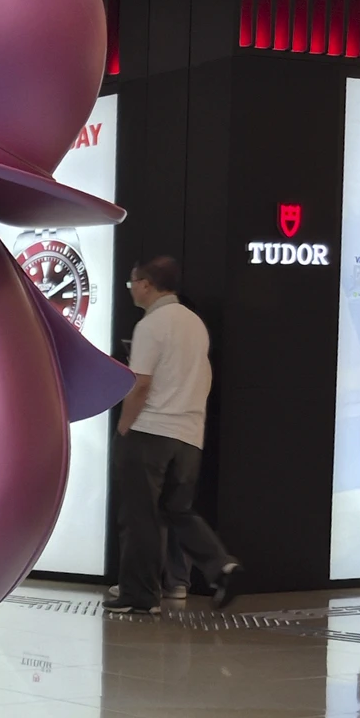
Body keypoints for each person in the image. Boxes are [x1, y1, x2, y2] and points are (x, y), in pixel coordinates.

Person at [110, 257, 240, 615]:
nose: (131, 290)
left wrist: (124, 426)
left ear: (146, 284)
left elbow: (141, 383)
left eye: (132, 283)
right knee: (178, 511)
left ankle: (140, 596)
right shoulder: (195, 323)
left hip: (150, 431)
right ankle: (222, 566)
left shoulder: (151, 325)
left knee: (140, 516)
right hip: (189, 434)